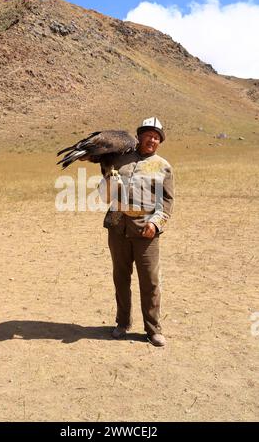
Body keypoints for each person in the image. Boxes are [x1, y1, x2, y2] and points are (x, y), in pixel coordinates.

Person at [99, 117, 175, 347]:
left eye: (156, 137)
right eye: (148, 135)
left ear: (159, 141)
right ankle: (122, 323)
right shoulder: (120, 159)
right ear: (139, 136)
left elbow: (167, 202)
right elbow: (104, 194)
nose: (152, 139)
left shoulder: (162, 166)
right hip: (118, 228)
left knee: (149, 281)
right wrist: (107, 181)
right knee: (120, 278)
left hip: (146, 231)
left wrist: (156, 223)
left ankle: (153, 329)